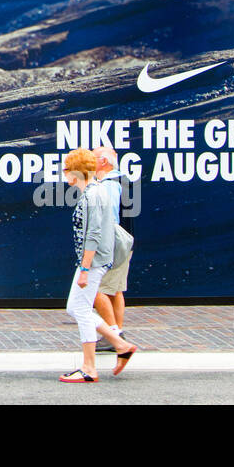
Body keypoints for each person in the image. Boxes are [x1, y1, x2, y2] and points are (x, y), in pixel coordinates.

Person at [59, 148, 137, 382]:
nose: (64, 173)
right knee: (75, 307)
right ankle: (119, 343)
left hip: (92, 263)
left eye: (66, 168)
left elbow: (92, 234)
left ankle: (89, 368)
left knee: (81, 310)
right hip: (93, 262)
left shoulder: (93, 194)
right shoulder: (94, 191)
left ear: (76, 171)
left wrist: (84, 268)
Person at [93, 146, 134, 352]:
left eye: (93, 158)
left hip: (112, 244)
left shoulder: (108, 185)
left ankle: (112, 334)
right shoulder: (123, 181)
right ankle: (117, 333)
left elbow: (110, 219)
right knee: (115, 290)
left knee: (95, 289)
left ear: (103, 162)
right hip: (125, 244)